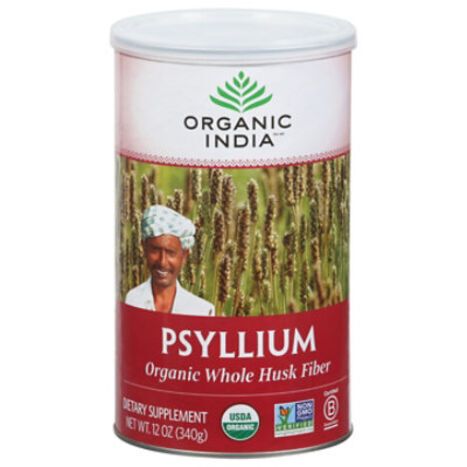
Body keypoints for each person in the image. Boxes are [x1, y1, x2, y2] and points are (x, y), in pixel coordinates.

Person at [125, 205, 215, 316]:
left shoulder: (202, 310)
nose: (162, 262)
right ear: (144, 248)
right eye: (155, 250)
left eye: (170, 252)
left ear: (184, 255)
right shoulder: (131, 299)